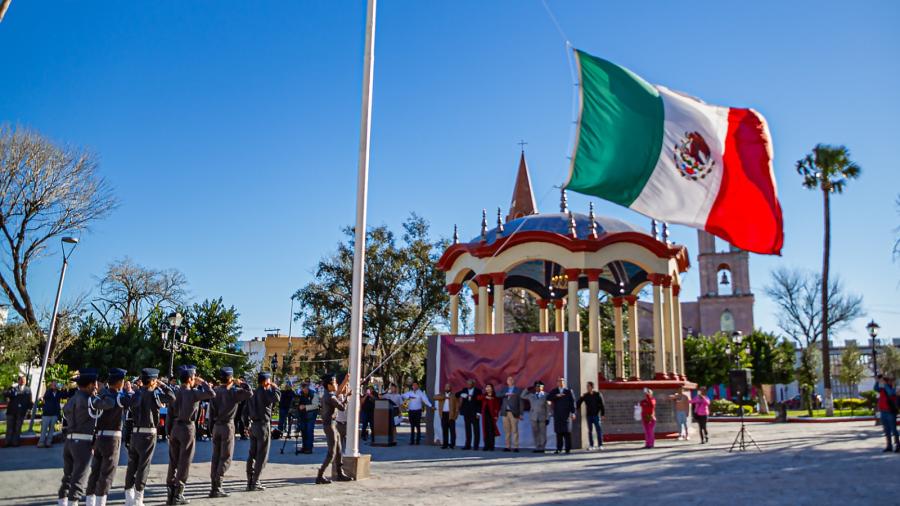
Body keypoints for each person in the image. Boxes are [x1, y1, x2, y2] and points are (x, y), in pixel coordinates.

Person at [123, 368, 176, 506]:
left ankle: (128, 497)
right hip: (148, 434)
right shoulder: (154, 395)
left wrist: (127, 436)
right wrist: (163, 385)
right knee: (143, 466)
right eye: (155, 380)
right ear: (153, 381)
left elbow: (128, 416)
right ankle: (138, 499)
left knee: (132, 465)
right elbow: (172, 397)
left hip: (135, 433)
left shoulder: (135, 394)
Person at [166, 365, 215, 505]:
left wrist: (168, 431)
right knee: (184, 461)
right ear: (190, 379)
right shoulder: (193, 393)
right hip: (187, 428)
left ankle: (170, 492)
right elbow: (212, 394)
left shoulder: (175, 392)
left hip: (175, 427)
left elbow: (169, 414)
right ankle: (178, 494)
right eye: (194, 378)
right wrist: (203, 383)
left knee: (173, 460)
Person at [84, 368, 132, 506]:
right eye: (122, 381)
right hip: (112, 439)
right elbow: (133, 400)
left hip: (99, 437)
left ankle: (90, 501)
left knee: (95, 471)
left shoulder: (102, 395)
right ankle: (100, 502)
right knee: (107, 473)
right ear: (118, 383)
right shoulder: (118, 397)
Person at [208, 367, 253, 498]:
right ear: (230, 378)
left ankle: (213, 485)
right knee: (225, 457)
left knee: (215, 457)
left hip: (216, 426)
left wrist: (211, 429)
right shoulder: (234, 392)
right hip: (227, 426)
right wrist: (241, 383)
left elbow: (211, 413)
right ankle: (217, 485)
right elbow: (249, 392)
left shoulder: (215, 391)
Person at [58, 369, 100, 506]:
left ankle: (62, 502)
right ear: (89, 385)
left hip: (69, 441)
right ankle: (72, 503)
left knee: (68, 477)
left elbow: (65, 414)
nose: (96, 387)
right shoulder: (89, 400)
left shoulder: (72, 399)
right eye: (94, 384)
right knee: (79, 478)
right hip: (82, 442)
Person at [245, 371, 280, 491]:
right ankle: (255, 481)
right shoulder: (265, 392)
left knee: (252, 454)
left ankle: (249, 480)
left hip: (253, 425)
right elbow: (277, 398)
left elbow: (245, 410)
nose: (271, 383)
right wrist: (276, 388)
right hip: (263, 425)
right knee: (262, 454)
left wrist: (246, 424)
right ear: (266, 381)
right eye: (269, 381)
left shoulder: (253, 393)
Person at [317, 374, 353, 484]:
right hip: (330, 426)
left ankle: (339, 472)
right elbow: (342, 407)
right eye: (334, 383)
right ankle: (320, 475)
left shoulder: (329, 395)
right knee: (332, 452)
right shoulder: (330, 397)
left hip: (333, 425)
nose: (336, 384)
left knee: (338, 450)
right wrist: (347, 397)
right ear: (329, 385)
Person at [548, 377, 576, 454]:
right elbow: (548, 398)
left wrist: (573, 413)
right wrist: (556, 396)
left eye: (562, 381)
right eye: (559, 381)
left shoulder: (569, 391)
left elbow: (572, 402)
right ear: (557, 383)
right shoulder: (554, 391)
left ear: (564, 383)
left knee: (567, 432)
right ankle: (559, 448)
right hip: (557, 414)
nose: (561, 382)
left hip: (567, 414)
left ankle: (568, 449)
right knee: (559, 432)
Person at [4, 375, 33, 447]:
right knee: (9, 428)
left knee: (18, 428)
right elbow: (6, 394)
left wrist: (29, 410)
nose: (23, 381)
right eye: (22, 380)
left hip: (21, 412)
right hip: (11, 411)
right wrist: (10, 390)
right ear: (18, 381)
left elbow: (30, 401)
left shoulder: (28, 390)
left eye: (25, 380)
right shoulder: (13, 388)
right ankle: (7, 442)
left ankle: (15, 443)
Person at [520, 381, 550, 453]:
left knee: (543, 433)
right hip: (533, 417)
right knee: (535, 432)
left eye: (540, 386)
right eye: (537, 386)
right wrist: (527, 389)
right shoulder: (531, 395)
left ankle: (542, 448)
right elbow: (522, 396)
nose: (538, 388)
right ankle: (537, 447)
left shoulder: (546, 395)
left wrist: (547, 418)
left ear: (542, 387)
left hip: (542, 416)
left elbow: (548, 408)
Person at [577, 381, 606, 451]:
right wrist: (581, 398)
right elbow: (578, 403)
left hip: (596, 415)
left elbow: (602, 405)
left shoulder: (598, 394)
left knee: (598, 430)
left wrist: (602, 414)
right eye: (587, 386)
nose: (587, 388)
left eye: (588, 386)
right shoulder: (585, 395)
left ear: (592, 387)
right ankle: (591, 445)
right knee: (590, 431)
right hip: (589, 416)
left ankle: (600, 445)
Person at [874, 374, 899, 452]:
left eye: (884, 381)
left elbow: (891, 393)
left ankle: (898, 445)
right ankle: (889, 446)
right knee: (886, 430)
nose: (882, 382)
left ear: (888, 382)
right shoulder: (882, 389)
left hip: (890, 412)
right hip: (883, 411)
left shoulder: (892, 388)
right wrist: (877, 381)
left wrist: (885, 384)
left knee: (893, 430)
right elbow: (875, 388)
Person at [291, 382, 319, 454]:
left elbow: (316, 405)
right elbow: (297, 403)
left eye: (305, 387)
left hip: (311, 415)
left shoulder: (313, 394)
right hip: (303, 415)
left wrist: (305, 407)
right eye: (302, 388)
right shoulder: (300, 394)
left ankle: (309, 448)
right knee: (303, 431)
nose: (304, 389)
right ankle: (304, 447)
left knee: (309, 431)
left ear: (308, 387)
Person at [39, 381, 67, 448]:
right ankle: (41, 442)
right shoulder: (48, 392)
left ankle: (48, 442)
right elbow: (46, 396)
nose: (55, 386)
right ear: (51, 386)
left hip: (54, 413)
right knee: (44, 429)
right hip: (46, 414)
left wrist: (63, 388)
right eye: (53, 385)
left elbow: (65, 395)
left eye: (55, 385)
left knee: (51, 429)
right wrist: (52, 389)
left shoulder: (58, 393)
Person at [456, 379, 482, 450]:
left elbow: (480, 403)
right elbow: (456, 394)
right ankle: (467, 445)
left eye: (469, 384)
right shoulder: (464, 390)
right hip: (466, 413)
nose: (468, 385)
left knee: (476, 430)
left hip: (475, 413)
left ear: (473, 384)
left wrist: (478, 413)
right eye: (467, 383)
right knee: (468, 429)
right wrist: (462, 394)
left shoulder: (478, 391)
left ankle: (476, 446)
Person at [433, 383, 459, 449]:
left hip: (451, 415)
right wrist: (444, 397)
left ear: (450, 388)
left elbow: (457, 406)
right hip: (443, 414)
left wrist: (455, 415)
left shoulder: (454, 395)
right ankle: (445, 444)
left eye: (448, 387)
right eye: (446, 387)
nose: (447, 388)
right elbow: (434, 397)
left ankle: (452, 444)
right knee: (445, 430)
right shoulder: (442, 394)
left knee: (452, 431)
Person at [499, 376, 522, 452]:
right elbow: (498, 395)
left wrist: (521, 413)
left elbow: (521, 402)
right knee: (507, 430)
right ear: (507, 381)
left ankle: (516, 447)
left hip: (514, 412)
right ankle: (507, 446)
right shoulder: (504, 389)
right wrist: (506, 394)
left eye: (511, 379)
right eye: (508, 379)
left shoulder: (518, 390)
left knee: (515, 430)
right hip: (505, 412)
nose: (510, 380)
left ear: (513, 381)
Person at [479, 383, 501, 451]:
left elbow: (497, 407)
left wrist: (496, 416)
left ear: (492, 388)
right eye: (487, 387)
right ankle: (486, 445)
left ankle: (491, 446)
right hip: (485, 416)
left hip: (491, 416)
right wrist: (485, 397)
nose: (488, 388)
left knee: (491, 431)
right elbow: (478, 398)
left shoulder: (494, 397)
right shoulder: (484, 396)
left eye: (489, 387)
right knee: (485, 431)